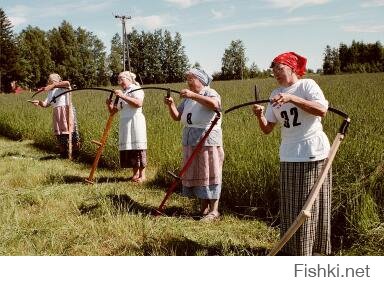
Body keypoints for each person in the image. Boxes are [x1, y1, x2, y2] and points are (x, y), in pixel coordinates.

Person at [252, 52, 331, 255]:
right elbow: (268, 129)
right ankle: (292, 249)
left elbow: (321, 110)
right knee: (290, 205)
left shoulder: (307, 86)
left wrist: (292, 98)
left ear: (292, 68)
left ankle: (310, 251)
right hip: (288, 153)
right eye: (273, 70)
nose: (276, 73)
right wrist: (260, 115)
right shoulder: (274, 94)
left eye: (280, 68)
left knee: (309, 204)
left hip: (311, 152)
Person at [164, 68, 224, 221]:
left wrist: (193, 95)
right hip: (190, 139)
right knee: (199, 173)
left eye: (191, 79)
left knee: (210, 172)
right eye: (188, 79)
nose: (188, 82)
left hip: (207, 139)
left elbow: (215, 105)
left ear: (201, 80)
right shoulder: (188, 99)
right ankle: (202, 209)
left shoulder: (210, 92)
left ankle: (214, 210)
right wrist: (170, 105)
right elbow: (177, 117)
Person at [107, 71, 147, 183]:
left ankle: (142, 175)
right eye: (118, 80)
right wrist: (109, 105)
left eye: (121, 79)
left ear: (128, 79)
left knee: (138, 146)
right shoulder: (122, 92)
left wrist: (123, 96)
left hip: (135, 121)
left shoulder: (136, 89)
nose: (120, 82)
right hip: (125, 122)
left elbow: (138, 103)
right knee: (130, 148)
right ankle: (135, 174)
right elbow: (114, 111)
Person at [30, 73, 80, 158]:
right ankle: (63, 153)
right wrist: (39, 102)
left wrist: (54, 85)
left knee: (72, 132)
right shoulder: (50, 92)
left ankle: (75, 154)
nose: (50, 82)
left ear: (58, 81)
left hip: (67, 111)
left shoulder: (63, 87)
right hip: (58, 114)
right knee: (60, 134)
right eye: (50, 81)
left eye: (53, 81)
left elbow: (67, 83)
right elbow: (46, 104)